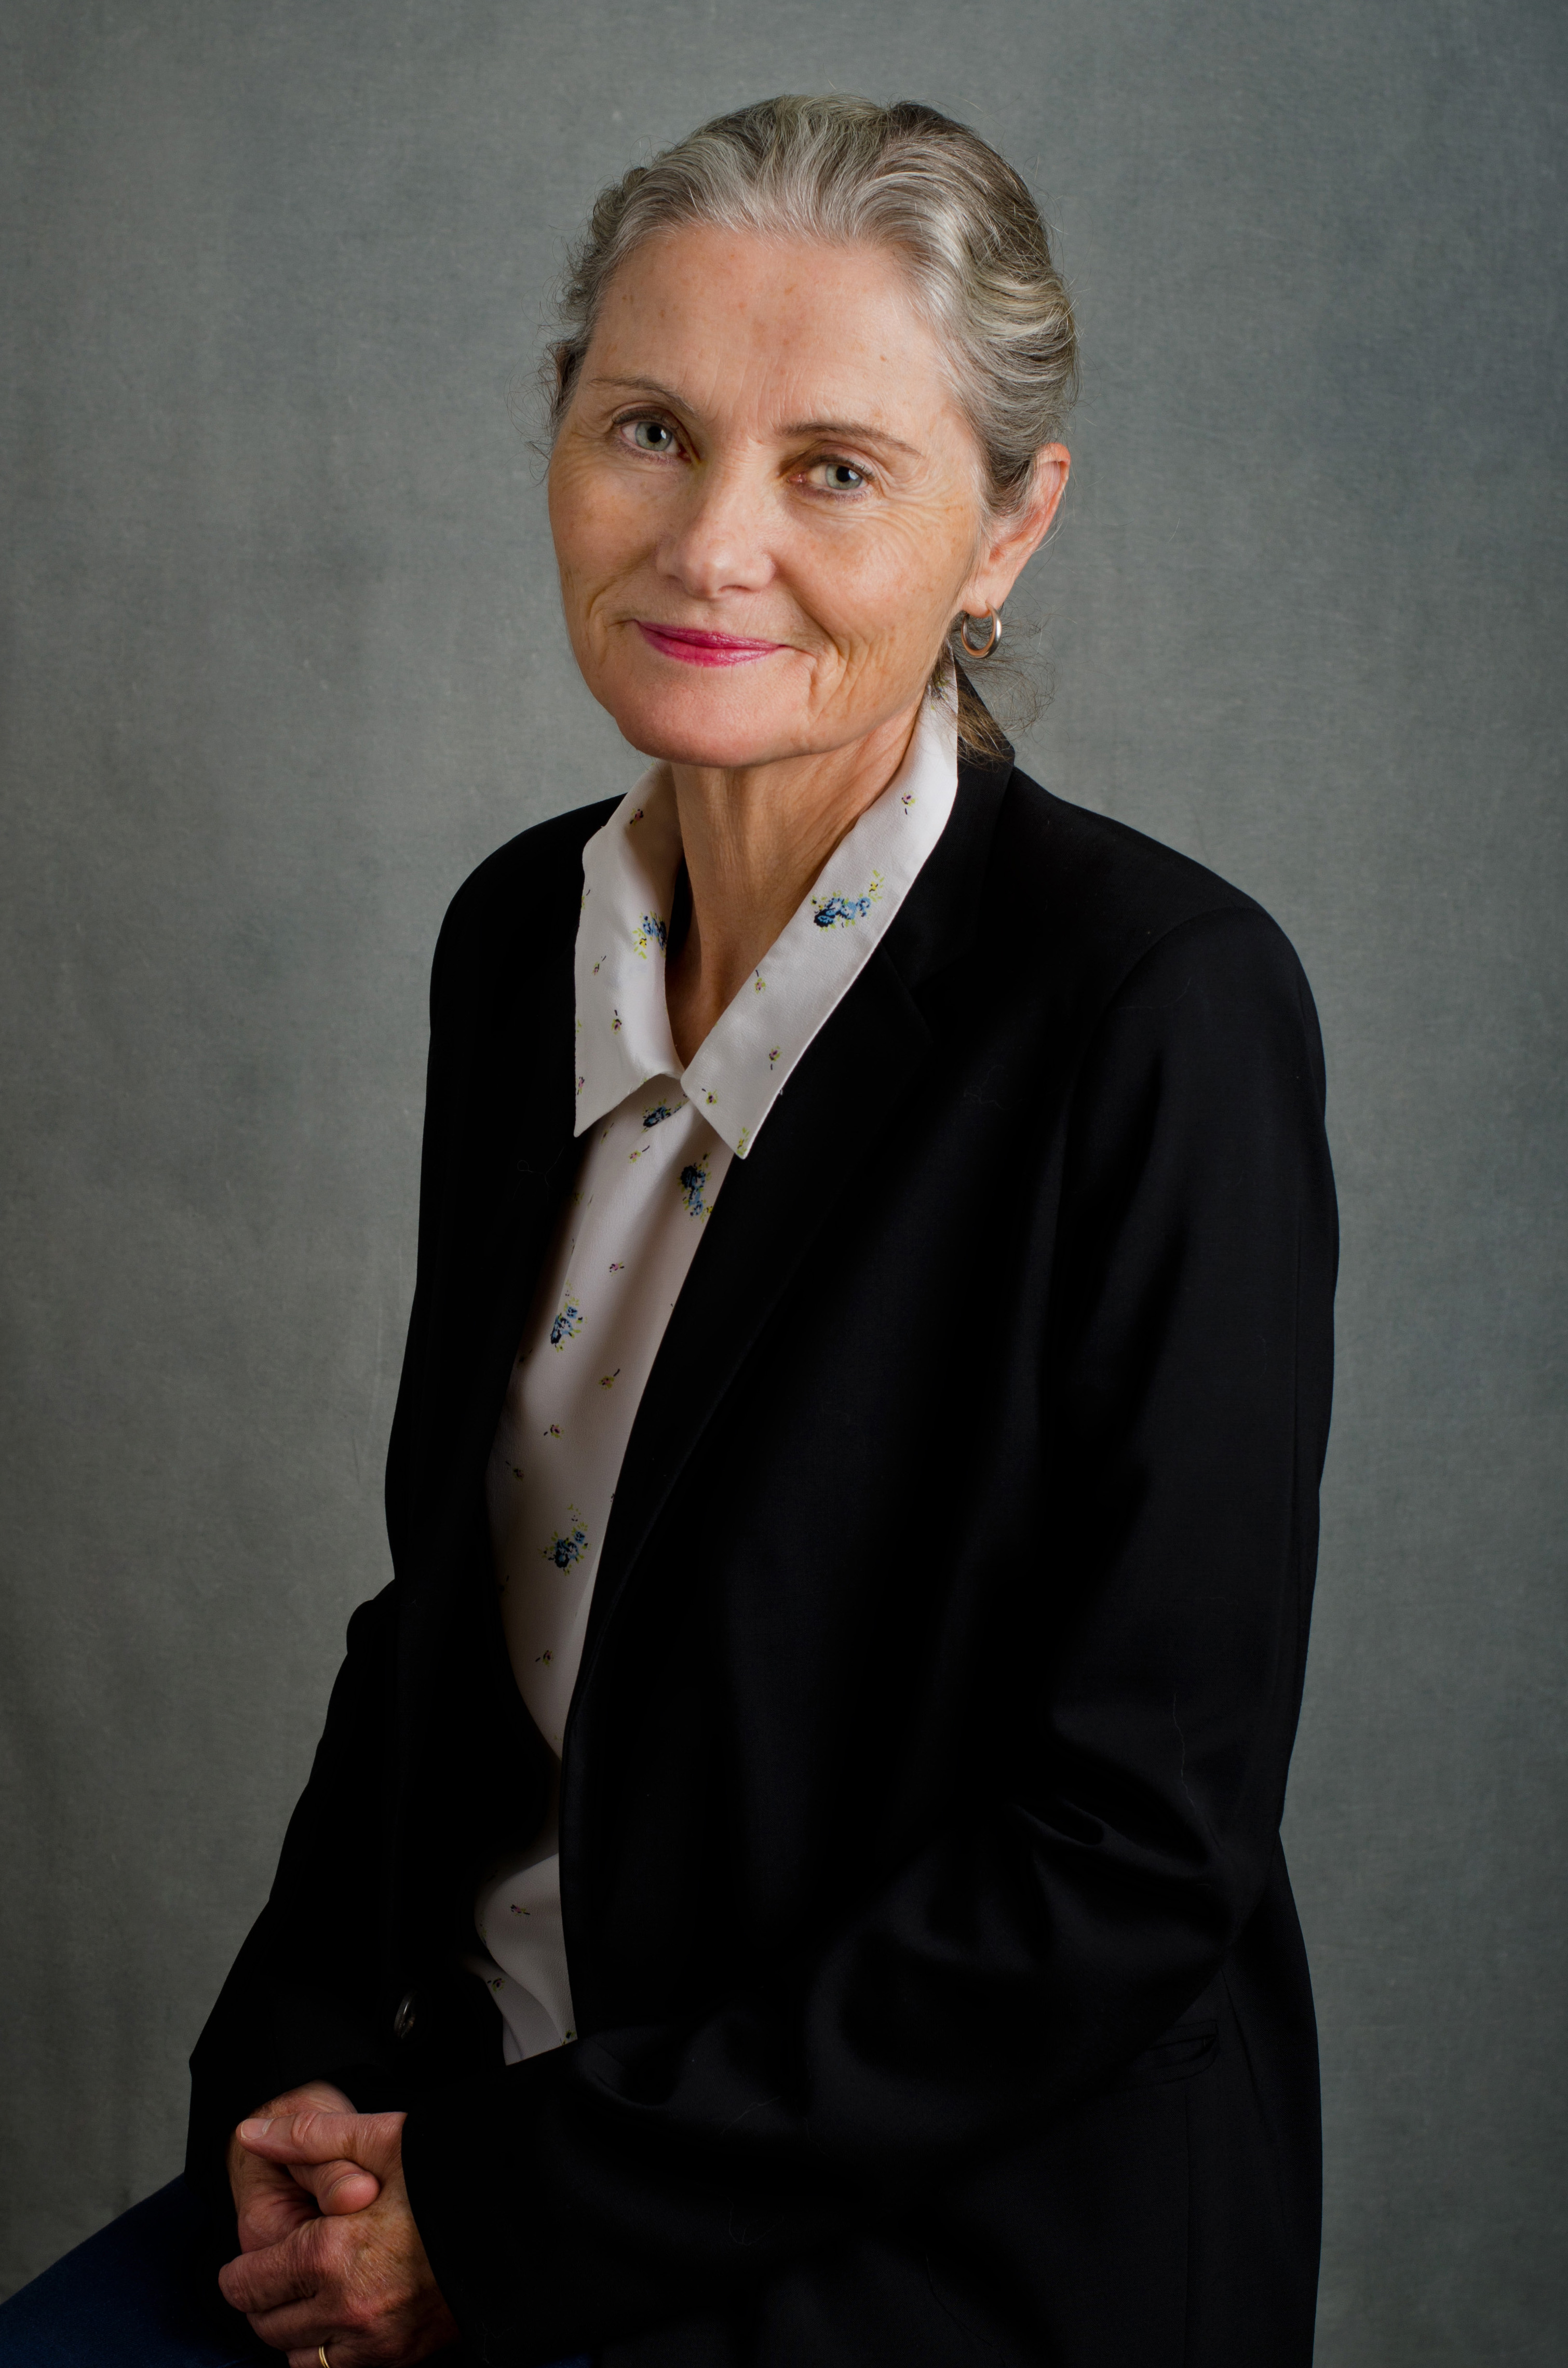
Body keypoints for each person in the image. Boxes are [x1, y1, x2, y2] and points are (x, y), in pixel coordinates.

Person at [0, 93, 1336, 2368]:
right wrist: (291, 2085)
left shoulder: (1155, 1012)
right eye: (649, 430)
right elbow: (448, 1618)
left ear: (1008, 527)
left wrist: (501, 2223)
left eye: (835, 469)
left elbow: (1124, 1856)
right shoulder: (515, 933)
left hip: (913, 2236)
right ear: (558, 434)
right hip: (475, 2114)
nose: (712, 544)